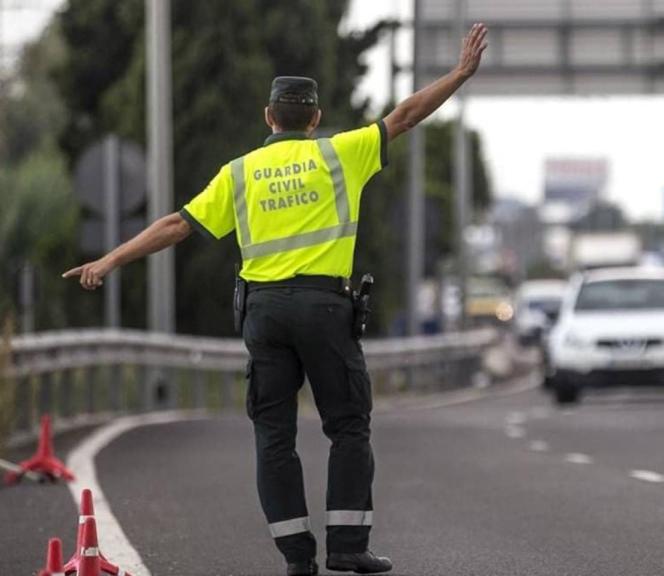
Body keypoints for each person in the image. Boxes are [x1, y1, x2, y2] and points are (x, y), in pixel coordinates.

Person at [63, 23, 489, 576]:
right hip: (324, 310)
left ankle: (297, 558)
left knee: (273, 436)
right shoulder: (343, 153)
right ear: (314, 118)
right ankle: (346, 546)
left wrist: (109, 260)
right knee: (348, 426)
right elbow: (405, 115)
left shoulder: (239, 173)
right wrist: (459, 73)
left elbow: (175, 225)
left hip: (263, 315)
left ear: (269, 117)